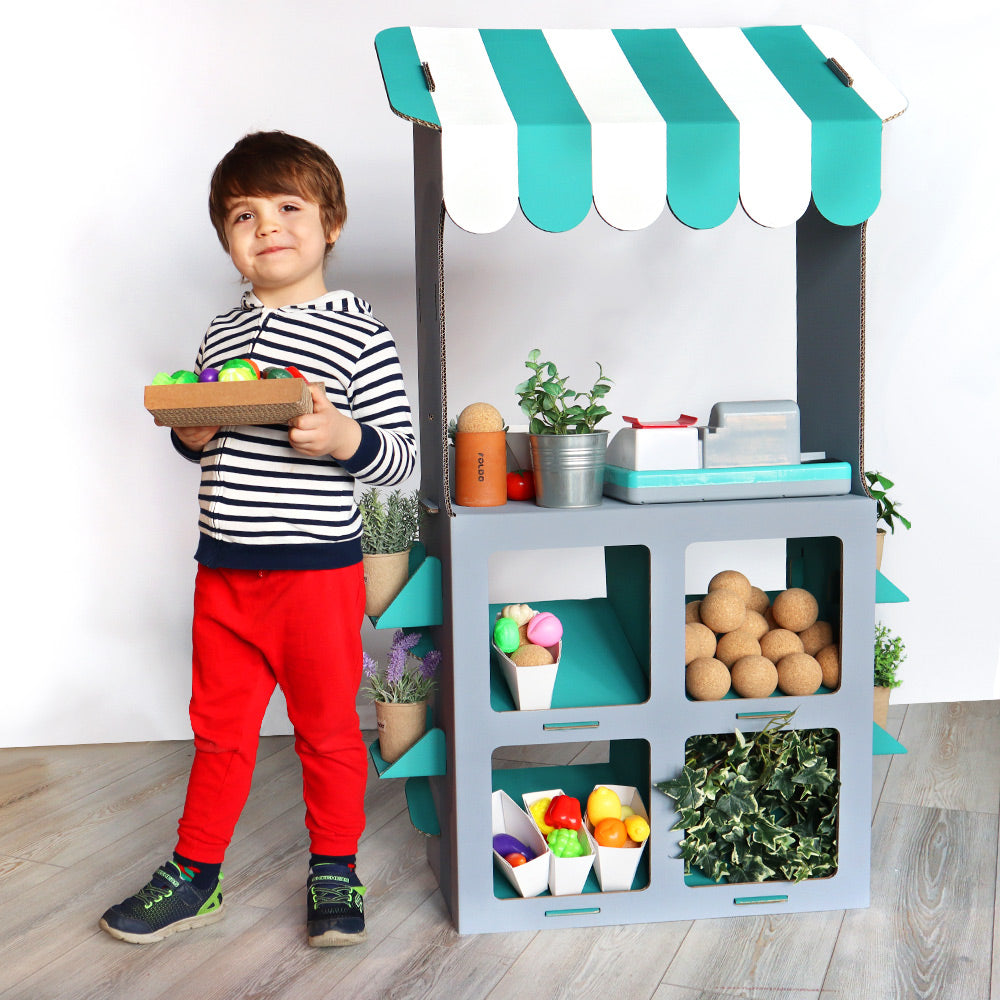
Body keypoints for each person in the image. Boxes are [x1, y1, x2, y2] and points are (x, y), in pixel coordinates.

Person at [100, 131, 417, 947]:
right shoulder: (219, 335)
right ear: (228, 241)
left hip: (315, 574)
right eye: (244, 214)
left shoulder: (359, 334)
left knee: (327, 731)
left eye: (287, 207)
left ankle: (336, 868)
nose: (266, 226)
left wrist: (344, 436)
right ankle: (196, 873)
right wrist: (191, 435)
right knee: (221, 732)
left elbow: (401, 455)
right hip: (226, 573)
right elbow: (204, 436)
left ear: (331, 223)